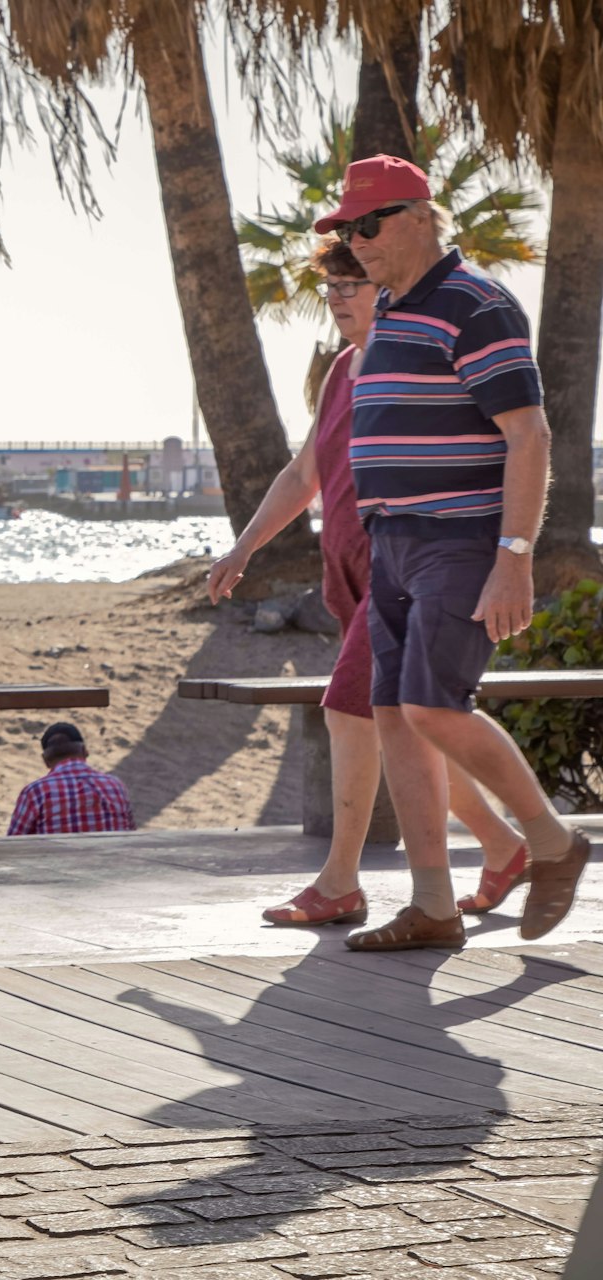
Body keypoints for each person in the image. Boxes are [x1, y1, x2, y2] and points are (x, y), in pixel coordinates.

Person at [208, 236, 526, 928]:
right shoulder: (341, 373)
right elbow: (304, 475)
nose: (338, 301)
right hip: (352, 583)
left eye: (352, 286)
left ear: (389, 286)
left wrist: (507, 556)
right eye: (330, 290)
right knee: (413, 727)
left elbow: (509, 444)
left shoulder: (420, 365)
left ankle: (340, 882)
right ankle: (504, 846)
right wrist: (244, 548)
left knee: (349, 712)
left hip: (415, 574)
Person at [315, 155, 589, 950]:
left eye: (370, 224)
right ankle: (433, 906)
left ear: (422, 216)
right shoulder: (393, 312)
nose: (357, 243)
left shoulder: (477, 305)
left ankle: (551, 841)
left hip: (460, 541)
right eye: (345, 229)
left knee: (435, 706)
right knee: (395, 715)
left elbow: (529, 433)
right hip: (394, 543)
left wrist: (514, 554)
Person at [6, 722, 136, 835]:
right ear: (85, 751)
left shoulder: (35, 793)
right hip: (115, 862)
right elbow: (130, 833)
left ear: (45, 760)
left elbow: (13, 844)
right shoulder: (115, 786)